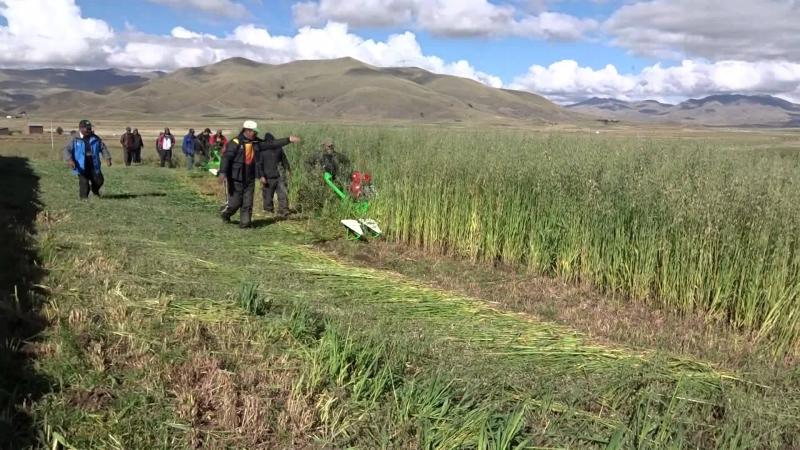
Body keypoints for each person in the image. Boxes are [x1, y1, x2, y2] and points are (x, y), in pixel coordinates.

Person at [219, 120, 300, 228]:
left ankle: (245, 224)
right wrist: (223, 172)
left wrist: (288, 139)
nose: (256, 133)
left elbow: (271, 144)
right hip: (236, 179)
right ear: (247, 130)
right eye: (254, 131)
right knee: (235, 203)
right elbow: (226, 157)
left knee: (247, 203)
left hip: (249, 179)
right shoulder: (235, 142)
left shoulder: (256, 143)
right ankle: (226, 214)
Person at [63, 119, 112, 199]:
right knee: (84, 183)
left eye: (90, 128)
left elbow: (103, 148)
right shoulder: (74, 138)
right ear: (81, 128)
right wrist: (69, 160)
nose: (89, 130)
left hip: (93, 164)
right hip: (81, 165)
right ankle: (84, 200)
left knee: (99, 181)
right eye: (87, 128)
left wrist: (107, 158)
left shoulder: (95, 138)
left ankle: (95, 190)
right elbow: (66, 149)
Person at [257, 132, 292, 217]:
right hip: (278, 176)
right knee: (282, 194)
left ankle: (269, 210)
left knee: (268, 195)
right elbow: (285, 161)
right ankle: (283, 210)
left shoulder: (262, 150)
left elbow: (259, 165)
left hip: (268, 177)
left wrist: (261, 176)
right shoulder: (278, 148)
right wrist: (288, 170)